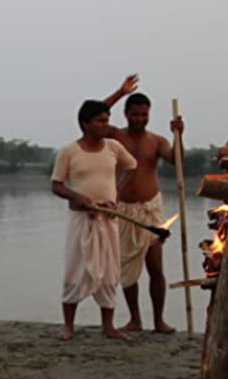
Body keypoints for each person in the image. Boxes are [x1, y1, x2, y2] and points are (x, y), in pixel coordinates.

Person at [51, 100, 137, 341]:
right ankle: (68, 325)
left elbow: (131, 167)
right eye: (100, 121)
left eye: (107, 120)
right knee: (74, 269)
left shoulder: (113, 147)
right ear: (84, 124)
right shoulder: (69, 151)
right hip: (81, 219)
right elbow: (56, 185)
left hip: (108, 219)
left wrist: (116, 195)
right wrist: (77, 196)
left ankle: (108, 326)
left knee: (110, 270)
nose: (104, 125)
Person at [104, 75, 183, 334]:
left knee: (155, 266)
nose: (140, 119)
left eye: (144, 115)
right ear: (126, 114)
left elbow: (176, 161)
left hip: (150, 208)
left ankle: (159, 321)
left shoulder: (157, 141)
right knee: (128, 267)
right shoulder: (114, 136)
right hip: (124, 210)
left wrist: (178, 134)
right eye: (135, 114)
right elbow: (91, 117)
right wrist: (120, 92)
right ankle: (135, 319)